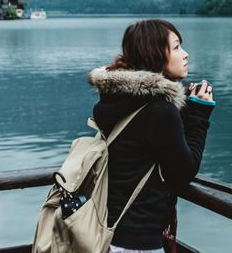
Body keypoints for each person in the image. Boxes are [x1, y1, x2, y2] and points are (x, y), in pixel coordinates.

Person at [89, 19, 215, 253]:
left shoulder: (117, 100)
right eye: (176, 47)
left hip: (109, 232)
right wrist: (199, 114)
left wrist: (182, 108)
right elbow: (183, 172)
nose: (185, 54)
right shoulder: (159, 111)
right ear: (154, 53)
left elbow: (145, 148)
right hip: (140, 240)